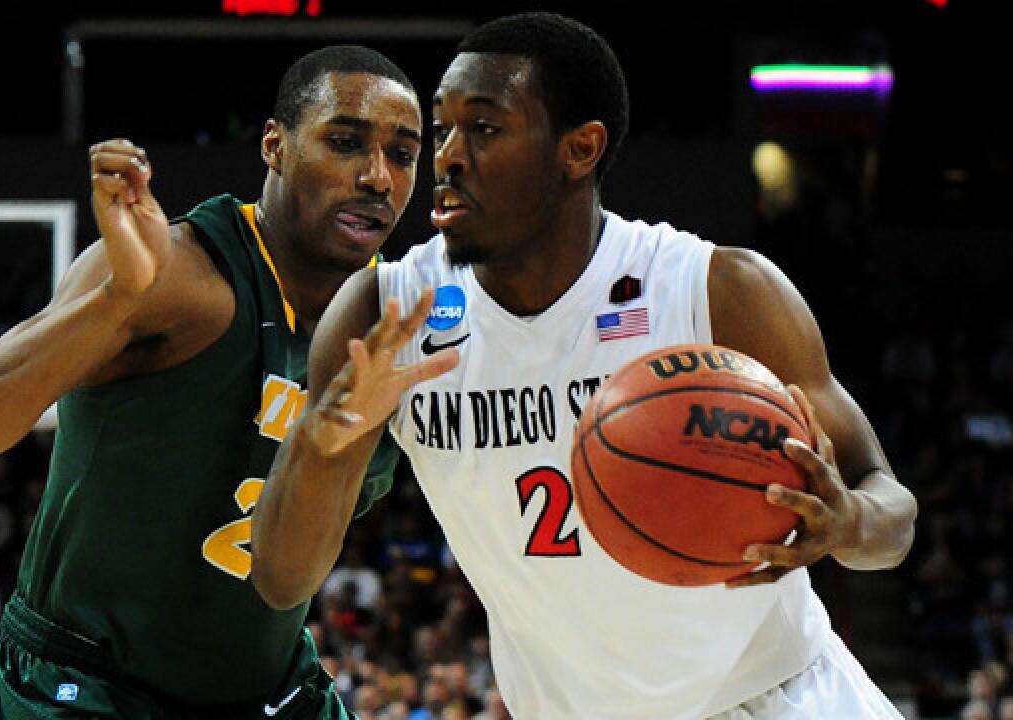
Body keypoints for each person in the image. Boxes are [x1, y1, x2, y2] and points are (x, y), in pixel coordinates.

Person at [251, 13, 918, 720]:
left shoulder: (716, 291)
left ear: (579, 149)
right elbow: (281, 578)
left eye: (483, 128)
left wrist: (848, 523)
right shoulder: (384, 316)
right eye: (442, 129)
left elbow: (891, 511)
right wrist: (323, 450)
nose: (447, 156)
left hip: (777, 699)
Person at [0, 45, 424, 719]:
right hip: (84, 682)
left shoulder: (395, 326)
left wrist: (333, 439)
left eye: (403, 154)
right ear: (274, 145)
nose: (376, 177)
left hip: (267, 690)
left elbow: (287, 580)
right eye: (344, 142)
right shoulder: (180, 274)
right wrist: (119, 299)